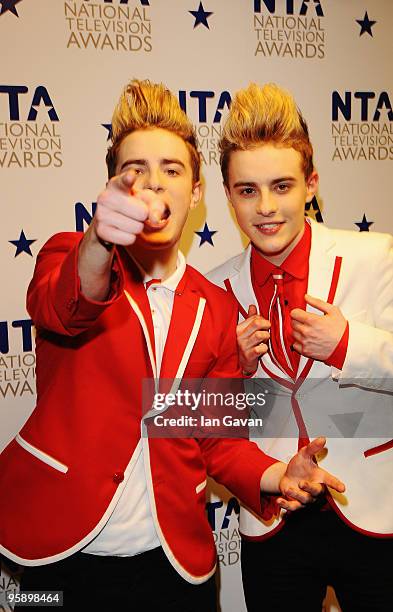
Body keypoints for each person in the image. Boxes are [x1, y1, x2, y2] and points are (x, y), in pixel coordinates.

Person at [0, 79, 344, 611]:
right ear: (114, 185)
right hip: (57, 559)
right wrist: (98, 240)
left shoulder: (216, 307)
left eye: (172, 170)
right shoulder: (72, 252)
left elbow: (218, 442)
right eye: (134, 171)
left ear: (200, 192)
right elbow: (68, 305)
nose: (153, 185)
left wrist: (279, 474)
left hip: (175, 563)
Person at [208, 82, 393, 611]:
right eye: (247, 191)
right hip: (273, 514)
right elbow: (199, 424)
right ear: (227, 195)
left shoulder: (373, 256)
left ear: (311, 185)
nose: (266, 208)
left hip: (373, 505)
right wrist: (235, 372)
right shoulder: (213, 287)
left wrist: (348, 345)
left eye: (282, 186)